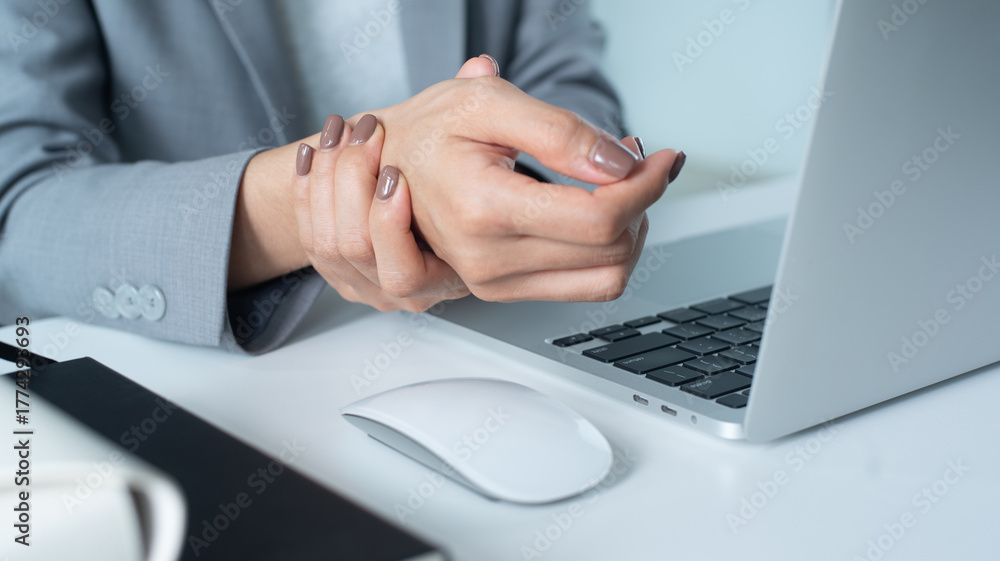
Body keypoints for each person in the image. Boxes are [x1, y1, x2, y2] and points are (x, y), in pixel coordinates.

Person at [0, 0, 683, 354]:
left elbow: (564, 76)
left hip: (493, 339)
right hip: (236, 384)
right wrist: (313, 206)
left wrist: (519, 190)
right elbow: (24, 211)